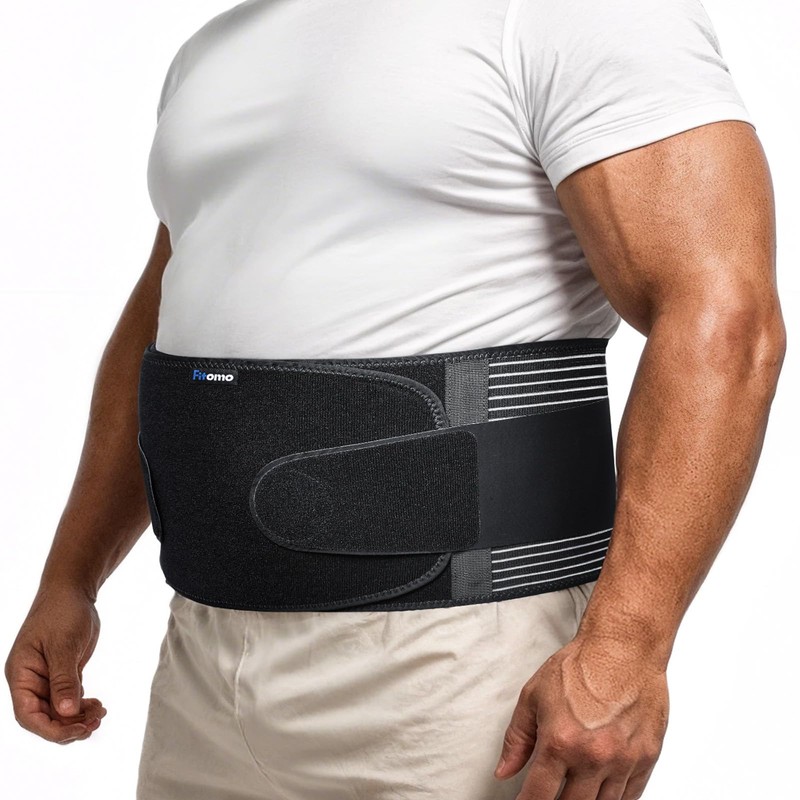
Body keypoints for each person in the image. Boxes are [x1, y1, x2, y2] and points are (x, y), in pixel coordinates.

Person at [5, 0, 786, 798]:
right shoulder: (215, 50)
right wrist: (72, 577)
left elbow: (724, 318)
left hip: (457, 665)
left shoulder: (569, 15)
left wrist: (626, 647)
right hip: (206, 656)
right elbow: (171, 318)